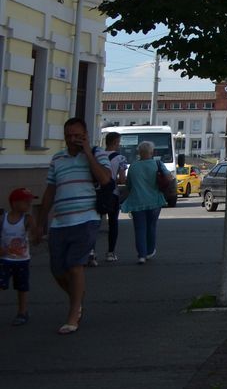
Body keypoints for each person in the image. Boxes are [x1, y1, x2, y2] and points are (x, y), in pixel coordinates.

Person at [31, 116, 114, 334]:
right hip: (60, 221)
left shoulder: (97, 154)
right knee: (57, 269)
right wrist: (40, 223)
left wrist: (87, 151)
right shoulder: (57, 159)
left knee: (75, 265)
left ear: (85, 135)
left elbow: (105, 179)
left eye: (77, 136)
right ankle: (77, 300)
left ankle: (73, 314)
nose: (72, 140)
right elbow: (50, 191)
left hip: (86, 219)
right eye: (69, 136)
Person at [118, 140, 168, 264]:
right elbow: (169, 177)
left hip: (137, 202)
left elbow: (128, 184)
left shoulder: (134, 166)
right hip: (155, 201)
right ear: (152, 152)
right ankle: (150, 251)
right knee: (151, 227)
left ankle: (141, 255)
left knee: (139, 229)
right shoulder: (157, 164)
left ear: (139, 153)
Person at [89, 131, 128, 266]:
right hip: (112, 193)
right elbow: (122, 179)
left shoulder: (96, 156)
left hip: (96, 192)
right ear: (116, 142)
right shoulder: (120, 158)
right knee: (113, 224)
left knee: (95, 223)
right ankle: (111, 253)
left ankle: (92, 252)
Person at [3, 187, 36, 326]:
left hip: (22, 260)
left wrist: (35, 231)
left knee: (22, 287)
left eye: (30, 202)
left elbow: (34, 236)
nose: (29, 204)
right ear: (15, 203)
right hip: (4, 258)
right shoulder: (3, 218)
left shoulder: (27, 219)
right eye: (26, 202)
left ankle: (22, 312)